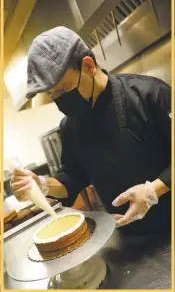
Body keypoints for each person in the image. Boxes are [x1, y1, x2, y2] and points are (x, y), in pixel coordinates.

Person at [11, 26, 171, 235]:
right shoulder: (70, 127)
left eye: (62, 89)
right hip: (128, 237)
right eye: (53, 94)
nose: (60, 101)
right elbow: (71, 178)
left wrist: (152, 191)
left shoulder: (148, 94)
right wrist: (41, 185)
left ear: (88, 65)